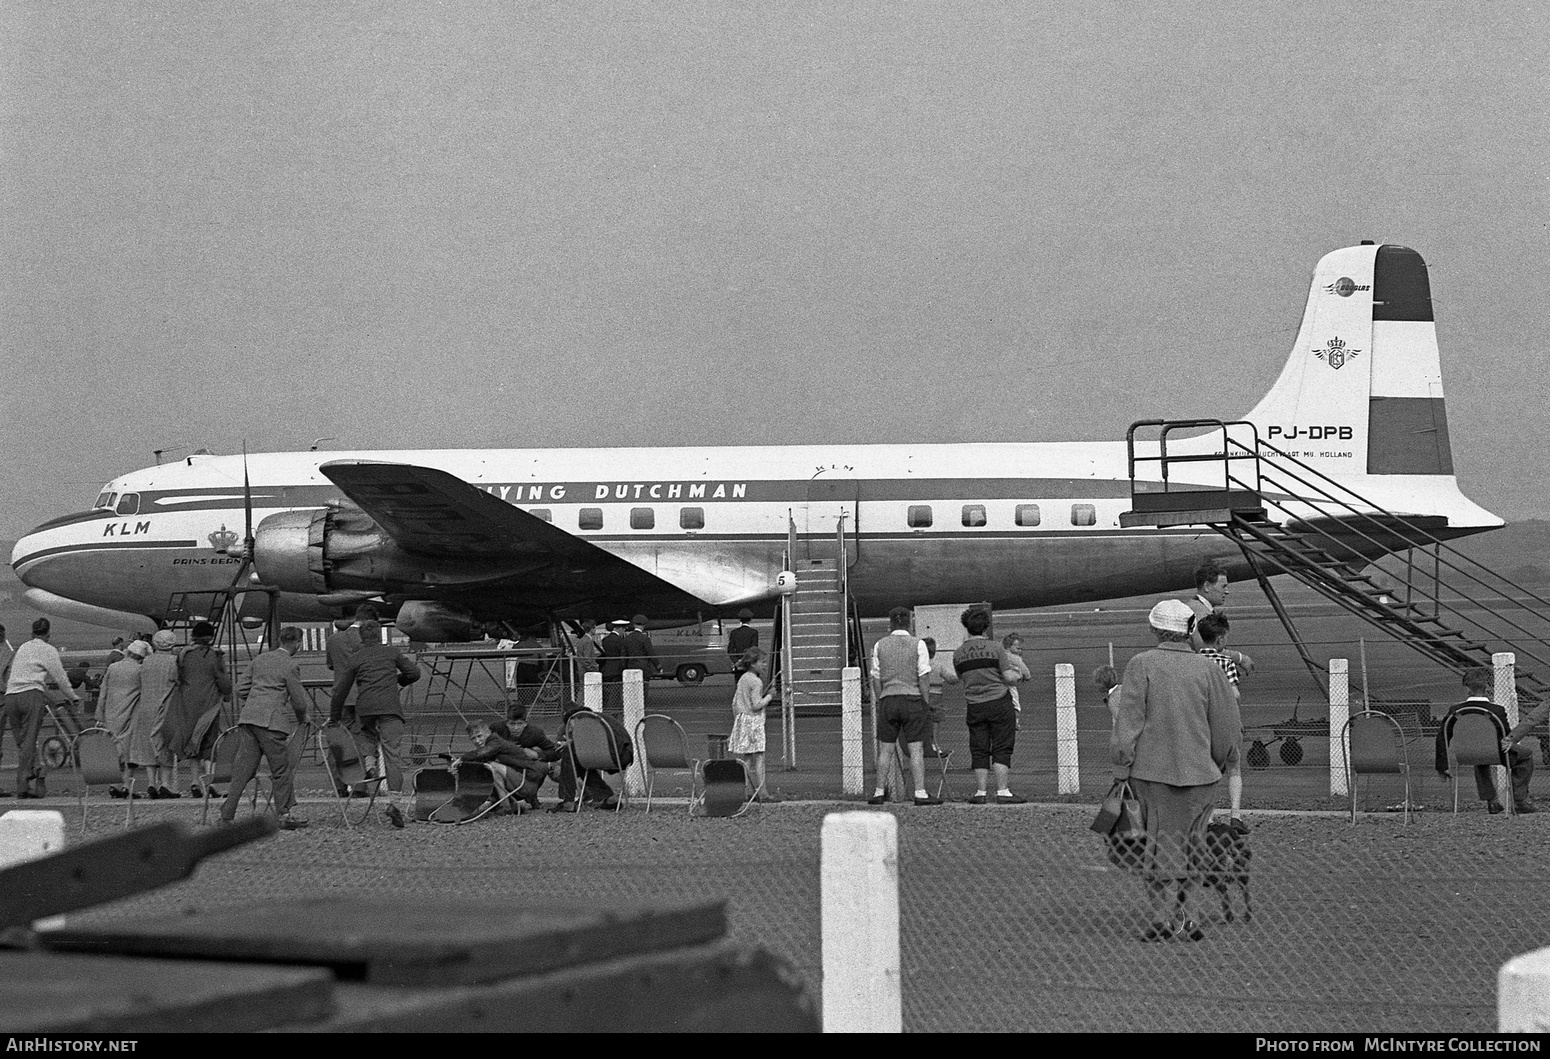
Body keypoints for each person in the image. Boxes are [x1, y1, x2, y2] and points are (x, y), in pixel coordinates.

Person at [1111, 599, 1241, 942]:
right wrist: (1216, 760)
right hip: (1200, 776)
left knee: (1155, 847)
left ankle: (1160, 918)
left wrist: (1122, 767)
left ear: (1154, 629)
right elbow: (1227, 727)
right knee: (1194, 846)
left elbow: (1128, 724)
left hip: (1151, 775)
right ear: (1190, 631)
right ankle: (1190, 916)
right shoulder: (1209, 669)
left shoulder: (1141, 665)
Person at [329, 617, 421, 828]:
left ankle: (370, 764)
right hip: (390, 708)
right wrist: (399, 681)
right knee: (393, 755)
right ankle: (395, 804)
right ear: (379, 635)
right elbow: (414, 672)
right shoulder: (391, 653)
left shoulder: (356, 658)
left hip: (367, 709)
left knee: (366, 735)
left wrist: (334, 717)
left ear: (361, 638)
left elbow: (340, 691)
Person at [220, 626, 310, 829]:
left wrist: (256, 701)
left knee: (243, 769)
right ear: (297, 643)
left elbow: (240, 689)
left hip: (249, 719)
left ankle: (227, 814)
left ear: (280, 640)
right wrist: (302, 718)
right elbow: (299, 701)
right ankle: (284, 814)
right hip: (272, 722)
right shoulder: (291, 665)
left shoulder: (259, 659)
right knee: (281, 769)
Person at [867, 608, 941, 807]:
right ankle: (920, 792)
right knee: (916, 748)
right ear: (910, 623)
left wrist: (881, 698)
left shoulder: (879, 645)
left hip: (888, 698)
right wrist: (925, 702)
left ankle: (879, 792)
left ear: (890, 623)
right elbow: (923, 675)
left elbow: (875, 677)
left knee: (885, 749)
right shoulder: (918, 644)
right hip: (912, 698)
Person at [952, 607, 1026, 804]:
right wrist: (1020, 674)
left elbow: (961, 678)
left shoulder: (958, 654)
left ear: (966, 627)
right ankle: (1003, 791)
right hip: (999, 702)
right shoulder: (996, 648)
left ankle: (980, 792)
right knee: (1002, 747)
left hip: (975, 705)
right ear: (986, 627)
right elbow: (1009, 678)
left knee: (979, 748)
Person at [1436, 667, 1535, 814]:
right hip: (1497, 753)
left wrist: (1442, 765)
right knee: (1526, 755)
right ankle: (1519, 798)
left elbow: (1442, 737)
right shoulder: (1497, 710)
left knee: (1480, 756)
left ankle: (1492, 800)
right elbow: (1506, 737)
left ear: (1467, 689)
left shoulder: (1455, 711)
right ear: (1487, 687)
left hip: (1467, 754)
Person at [3, 618, 80, 798]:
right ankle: (24, 783)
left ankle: (35, 772)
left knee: (22, 742)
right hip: (31, 694)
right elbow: (61, 678)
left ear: (32, 633)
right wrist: (73, 697)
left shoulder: (23, 647)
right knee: (29, 741)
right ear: (48, 634)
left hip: (11, 695)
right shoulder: (48, 650)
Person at [174, 621, 234, 798]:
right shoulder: (214, 656)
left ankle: (194, 781)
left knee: (193, 741)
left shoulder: (183, 655)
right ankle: (208, 782)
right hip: (209, 702)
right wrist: (228, 693)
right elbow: (222, 679)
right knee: (209, 742)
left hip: (187, 703)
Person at [1195, 613, 1245, 822]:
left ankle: (1209, 816)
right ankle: (1235, 814)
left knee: (1205, 772)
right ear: (1221, 639)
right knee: (1234, 767)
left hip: (1199, 723)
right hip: (1225, 723)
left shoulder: (1193, 662)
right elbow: (1234, 694)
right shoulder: (1225, 662)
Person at [553, 705, 635, 810]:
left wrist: (570, 744)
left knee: (569, 754)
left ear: (574, 718)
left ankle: (568, 801)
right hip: (624, 756)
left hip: (613, 754)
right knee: (581, 763)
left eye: (569, 726)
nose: (569, 730)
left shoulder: (584, 721)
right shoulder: (602, 719)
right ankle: (609, 798)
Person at [1184, 560, 1254, 675]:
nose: (1227, 592)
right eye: (1223, 586)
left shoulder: (1198, 608)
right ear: (1207, 586)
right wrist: (1240, 658)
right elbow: (1206, 650)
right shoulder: (1199, 613)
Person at [98, 640, 149, 798]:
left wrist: (100, 715)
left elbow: (103, 691)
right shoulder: (140, 670)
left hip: (111, 713)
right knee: (129, 751)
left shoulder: (113, 668)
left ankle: (114, 784)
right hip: (131, 713)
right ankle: (127, 785)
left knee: (114, 749)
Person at [728, 646, 778, 803]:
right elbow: (756, 705)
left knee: (747, 758)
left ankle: (746, 791)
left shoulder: (743, 679)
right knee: (759, 757)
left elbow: (735, 702)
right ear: (754, 664)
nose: (764, 665)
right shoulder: (756, 682)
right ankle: (763, 792)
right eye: (762, 662)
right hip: (753, 721)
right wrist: (769, 697)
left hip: (742, 720)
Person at [140, 629, 183, 799]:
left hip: (145, 707)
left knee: (148, 745)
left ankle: (151, 783)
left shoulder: (146, 661)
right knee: (165, 745)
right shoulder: (174, 662)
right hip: (166, 706)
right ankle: (166, 784)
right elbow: (179, 680)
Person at [324, 616, 363, 728]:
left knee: (345, 732)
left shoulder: (332, 640)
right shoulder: (362, 638)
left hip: (341, 694)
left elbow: (330, 665)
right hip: (362, 692)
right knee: (365, 734)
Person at [922, 637, 957, 756]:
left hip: (922, 695)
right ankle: (934, 743)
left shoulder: (919, 666)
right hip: (936, 695)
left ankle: (923, 744)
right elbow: (951, 679)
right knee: (935, 720)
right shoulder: (938, 666)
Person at [622, 614, 660, 704]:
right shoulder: (645, 638)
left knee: (632, 690)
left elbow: (623, 655)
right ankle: (641, 707)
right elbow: (651, 653)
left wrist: (624, 668)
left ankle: (632, 707)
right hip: (643, 668)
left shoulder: (627, 638)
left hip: (630, 667)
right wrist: (658, 667)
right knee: (643, 690)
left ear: (634, 625)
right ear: (644, 625)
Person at [1002, 632, 1032, 720]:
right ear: (1008, 646)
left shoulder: (999, 655)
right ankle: (1015, 721)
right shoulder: (1014, 658)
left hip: (996, 686)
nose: (1020, 650)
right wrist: (1024, 676)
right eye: (1018, 648)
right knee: (1015, 705)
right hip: (1010, 685)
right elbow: (1026, 673)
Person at [599, 620, 627, 711]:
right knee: (616, 692)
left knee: (609, 691)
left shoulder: (605, 640)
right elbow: (622, 654)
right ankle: (613, 710)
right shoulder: (620, 641)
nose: (624, 632)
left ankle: (609, 708)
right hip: (618, 669)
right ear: (620, 629)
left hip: (608, 668)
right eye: (624, 630)